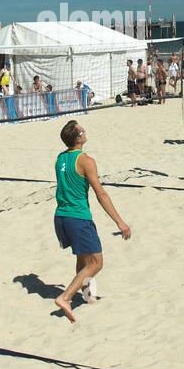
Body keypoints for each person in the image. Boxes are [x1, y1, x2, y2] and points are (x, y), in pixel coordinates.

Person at [51, 120, 131, 322]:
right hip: (78, 217)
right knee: (96, 262)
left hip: (61, 216)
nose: (85, 132)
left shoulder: (60, 158)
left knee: (82, 258)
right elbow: (100, 194)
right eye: (82, 130)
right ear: (78, 138)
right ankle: (65, 297)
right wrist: (120, 222)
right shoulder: (86, 160)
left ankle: (87, 296)